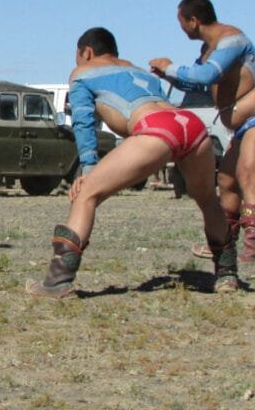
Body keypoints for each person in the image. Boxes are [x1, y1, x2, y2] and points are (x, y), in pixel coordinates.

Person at [25, 27, 238, 298]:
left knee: (87, 195)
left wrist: (88, 170)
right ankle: (228, 275)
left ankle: (57, 283)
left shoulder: (82, 73)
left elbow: (83, 123)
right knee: (208, 199)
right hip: (190, 124)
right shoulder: (137, 69)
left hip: (155, 130)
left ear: (86, 52)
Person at [150, 0, 255, 263]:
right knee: (226, 180)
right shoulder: (210, 50)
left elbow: (206, 75)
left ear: (193, 20)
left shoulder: (232, 41)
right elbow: (198, 84)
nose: (180, 28)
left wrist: (171, 66)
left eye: (181, 21)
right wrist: (168, 76)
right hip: (243, 127)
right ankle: (224, 242)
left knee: (247, 177)